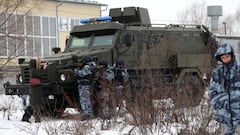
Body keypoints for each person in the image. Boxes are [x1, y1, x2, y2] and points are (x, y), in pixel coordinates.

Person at [209, 43, 240, 135]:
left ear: (232, 56)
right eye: (223, 58)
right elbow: (212, 92)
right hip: (225, 113)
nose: (226, 59)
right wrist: (218, 105)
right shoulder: (217, 73)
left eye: (227, 56)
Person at [22, 58, 48, 123]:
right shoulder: (34, 70)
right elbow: (41, 75)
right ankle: (37, 119)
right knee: (36, 105)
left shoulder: (32, 70)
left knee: (33, 105)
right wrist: (44, 68)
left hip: (35, 90)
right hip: (36, 91)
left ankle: (26, 118)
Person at [74, 55, 96, 121]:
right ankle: (88, 113)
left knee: (84, 100)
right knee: (87, 99)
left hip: (84, 85)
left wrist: (76, 71)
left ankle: (86, 114)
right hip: (86, 85)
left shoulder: (87, 67)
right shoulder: (92, 66)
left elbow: (82, 73)